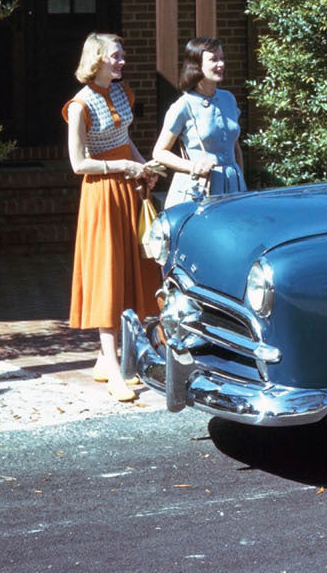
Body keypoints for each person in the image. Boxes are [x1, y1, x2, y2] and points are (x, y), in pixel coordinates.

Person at [64, 32, 160, 403]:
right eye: (116, 57)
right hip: (102, 195)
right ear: (98, 58)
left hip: (128, 189)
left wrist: (141, 166)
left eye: (122, 56)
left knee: (129, 269)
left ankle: (105, 358)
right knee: (107, 273)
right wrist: (122, 165)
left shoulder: (122, 93)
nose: (122, 62)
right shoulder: (79, 105)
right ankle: (115, 365)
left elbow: (125, 138)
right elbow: (78, 164)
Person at [153, 36, 247, 208]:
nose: (221, 64)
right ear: (197, 66)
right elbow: (159, 152)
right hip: (201, 189)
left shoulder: (228, 99)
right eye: (214, 59)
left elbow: (235, 146)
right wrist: (193, 166)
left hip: (233, 186)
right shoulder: (183, 106)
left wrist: (240, 178)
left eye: (222, 58)